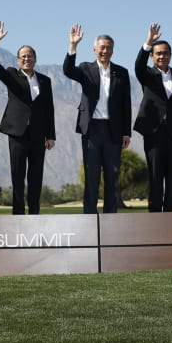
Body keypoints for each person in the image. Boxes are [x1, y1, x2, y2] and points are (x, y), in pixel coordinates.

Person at [62, 24, 132, 214]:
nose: (105, 51)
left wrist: (127, 132)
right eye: (102, 47)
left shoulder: (122, 72)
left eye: (109, 47)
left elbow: (126, 104)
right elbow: (68, 70)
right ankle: (89, 218)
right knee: (92, 177)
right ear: (94, 49)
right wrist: (72, 46)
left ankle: (111, 218)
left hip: (114, 130)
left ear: (113, 50)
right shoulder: (86, 69)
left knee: (112, 176)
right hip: (91, 130)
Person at [0, 21, 56, 215]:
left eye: (30, 56)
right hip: (17, 133)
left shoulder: (45, 80)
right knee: (17, 175)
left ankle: (34, 213)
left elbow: (48, 109)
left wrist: (50, 135)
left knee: (35, 176)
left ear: (35, 59)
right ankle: (18, 214)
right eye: (23, 56)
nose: (27, 59)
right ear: (18, 60)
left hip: (38, 134)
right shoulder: (11, 75)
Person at [133, 23, 172, 212]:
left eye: (165, 53)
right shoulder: (147, 74)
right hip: (153, 131)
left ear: (170, 55)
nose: (162, 56)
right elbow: (138, 65)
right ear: (152, 56)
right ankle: (154, 215)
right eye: (158, 53)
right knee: (156, 175)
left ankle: (170, 215)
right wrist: (148, 43)